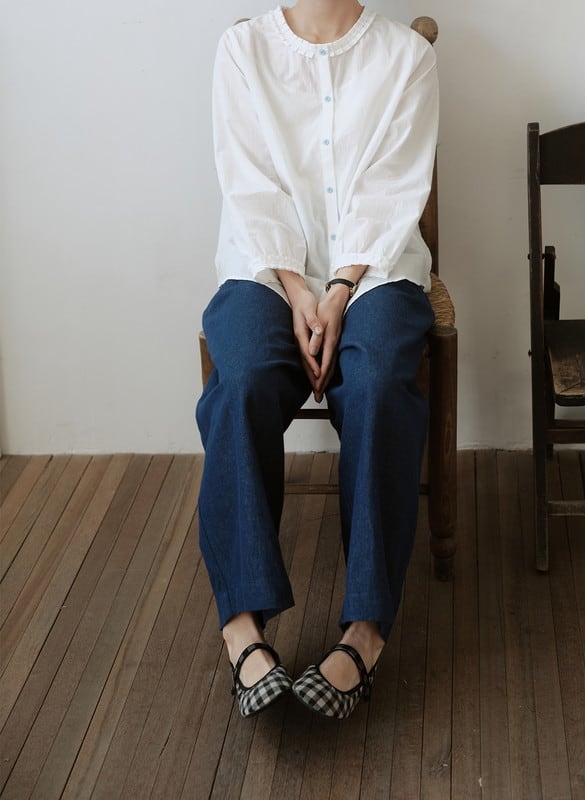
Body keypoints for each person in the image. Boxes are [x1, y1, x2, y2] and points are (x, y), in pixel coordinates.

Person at [196, 0, 439, 720]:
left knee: (378, 384)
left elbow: (393, 187)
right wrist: (299, 288)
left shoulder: (407, 56)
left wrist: (338, 290)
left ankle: (366, 630)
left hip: (378, 269)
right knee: (242, 379)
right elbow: (249, 183)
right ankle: (242, 625)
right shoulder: (243, 50)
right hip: (262, 269)